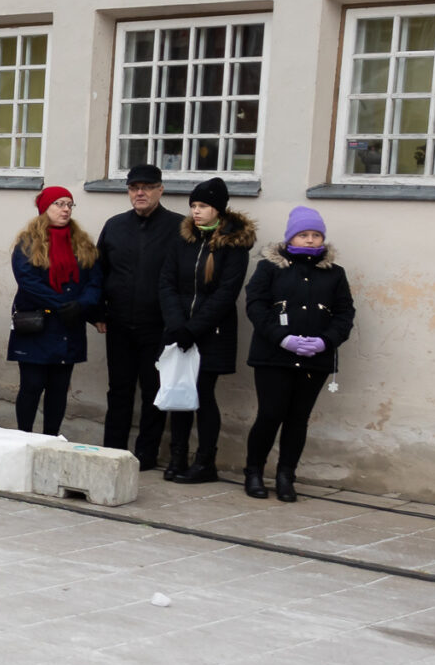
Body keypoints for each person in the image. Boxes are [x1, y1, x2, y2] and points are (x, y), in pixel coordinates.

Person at [243, 206, 353, 503]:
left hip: (314, 359)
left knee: (297, 418)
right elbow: (256, 305)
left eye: (315, 235)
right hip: (273, 357)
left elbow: (344, 314)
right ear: (292, 236)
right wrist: (284, 339)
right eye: (303, 234)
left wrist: (325, 342)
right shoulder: (269, 267)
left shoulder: (335, 274)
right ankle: (253, 472)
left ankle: (285, 476)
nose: (309, 240)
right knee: (270, 414)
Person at [158, 175, 255, 484]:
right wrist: (177, 325)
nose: (196, 212)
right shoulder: (183, 238)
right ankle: (177, 457)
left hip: (211, 333)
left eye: (202, 206)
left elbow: (226, 294)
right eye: (193, 206)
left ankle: (205, 462)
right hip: (180, 331)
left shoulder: (234, 244)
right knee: (179, 393)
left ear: (218, 209)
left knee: (201, 394)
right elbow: (167, 282)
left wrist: (194, 329)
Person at [94, 162, 176, 469]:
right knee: (119, 390)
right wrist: (98, 311)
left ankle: (146, 454)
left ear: (159, 190)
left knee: (154, 391)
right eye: (133, 188)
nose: (139, 193)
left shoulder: (177, 227)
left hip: (158, 325)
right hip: (118, 323)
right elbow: (99, 272)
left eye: (146, 187)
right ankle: (113, 449)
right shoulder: (115, 225)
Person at [8, 186, 103, 436]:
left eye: (69, 204)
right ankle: (24, 437)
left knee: (59, 388)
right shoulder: (28, 243)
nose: (65, 209)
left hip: (68, 326)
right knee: (32, 385)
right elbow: (28, 282)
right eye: (59, 204)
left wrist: (82, 305)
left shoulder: (82, 243)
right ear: (45, 209)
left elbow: (95, 280)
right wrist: (62, 304)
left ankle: (51, 437)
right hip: (38, 325)